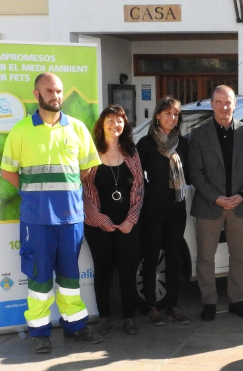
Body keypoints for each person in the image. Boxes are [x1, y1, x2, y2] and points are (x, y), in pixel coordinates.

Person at [0, 73, 103, 354]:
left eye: (58, 90)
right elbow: (8, 172)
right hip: (37, 219)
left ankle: (75, 326)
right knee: (40, 277)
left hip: (71, 218)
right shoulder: (20, 131)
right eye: (49, 91)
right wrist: (33, 194)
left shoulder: (78, 128)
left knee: (70, 277)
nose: (55, 95)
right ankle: (39, 331)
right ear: (36, 94)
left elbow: (87, 168)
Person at [188, 85, 243, 321]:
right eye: (219, 102)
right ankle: (209, 302)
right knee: (205, 258)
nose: (224, 107)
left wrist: (242, 194)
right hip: (210, 205)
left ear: (234, 104)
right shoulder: (199, 134)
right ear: (212, 104)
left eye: (228, 102)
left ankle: (236, 300)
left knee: (239, 256)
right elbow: (195, 171)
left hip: (239, 205)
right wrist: (216, 197)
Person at [82, 105, 144, 336]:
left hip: (128, 225)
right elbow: (85, 191)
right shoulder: (92, 151)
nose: (114, 125)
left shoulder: (131, 152)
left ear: (124, 124)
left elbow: (139, 188)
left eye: (119, 121)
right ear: (102, 124)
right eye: (110, 120)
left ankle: (129, 316)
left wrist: (131, 219)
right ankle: (105, 316)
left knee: (127, 270)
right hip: (99, 226)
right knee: (103, 270)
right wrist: (99, 219)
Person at [136, 97, 192, 326]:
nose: (172, 118)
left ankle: (173, 305)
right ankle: (151, 305)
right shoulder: (146, 144)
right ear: (157, 115)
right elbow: (138, 178)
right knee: (151, 256)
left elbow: (189, 173)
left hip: (176, 208)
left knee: (174, 257)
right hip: (153, 209)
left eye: (176, 114)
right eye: (167, 113)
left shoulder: (183, 144)